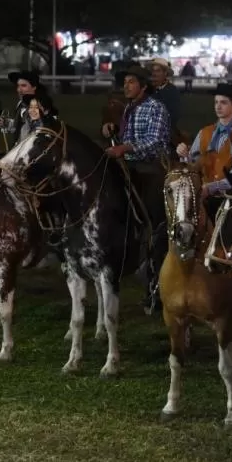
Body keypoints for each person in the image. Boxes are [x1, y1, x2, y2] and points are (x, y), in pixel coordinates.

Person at [176, 82, 232, 322]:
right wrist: (181, 153)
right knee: (171, 230)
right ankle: (158, 285)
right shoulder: (204, 133)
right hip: (201, 195)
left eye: (223, 103)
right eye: (216, 103)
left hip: (229, 200)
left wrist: (208, 188)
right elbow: (190, 164)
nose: (218, 107)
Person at [103, 65, 171, 313]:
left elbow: (154, 142)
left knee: (155, 226)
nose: (126, 86)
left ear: (143, 87)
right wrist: (113, 134)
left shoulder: (156, 108)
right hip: (130, 168)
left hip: (150, 170)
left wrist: (125, 148)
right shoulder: (129, 109)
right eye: (125, 82)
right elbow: (128, 138)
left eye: (131, 82)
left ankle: (155, 281)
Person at [0, 70, 57, 142]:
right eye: (18, 86)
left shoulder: (41, 105)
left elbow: (40, 131)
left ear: (34, 87)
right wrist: (6, 123)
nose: (19, 90)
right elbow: (19, 127)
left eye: (23, 86)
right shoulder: (21, 104)